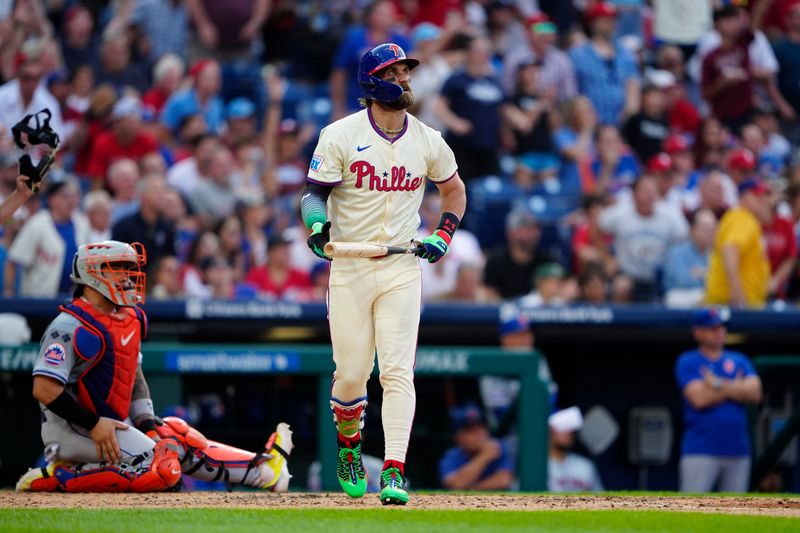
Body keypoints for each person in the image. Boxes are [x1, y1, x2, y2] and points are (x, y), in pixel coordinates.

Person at [299, 43, 466, 505]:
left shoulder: (428, 138)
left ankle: (394, 470)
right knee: (351, 376)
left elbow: (454, 191)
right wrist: (316, 226)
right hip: (350, 265)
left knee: (397, 372)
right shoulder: (339, 134)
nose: (405, 80)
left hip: (401, 265)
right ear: (372, 83)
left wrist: (443, 234)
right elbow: (312, 195)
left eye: (407, 72)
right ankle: (350, 446)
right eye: (395, 73)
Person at [15, 240, 293, 493]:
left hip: (110, 425)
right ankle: (58, 477)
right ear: (91, 274)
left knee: (176, 436)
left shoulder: (126, 319)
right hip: (73, 430)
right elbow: (44, 389)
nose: (126, 276)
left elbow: (132, 376)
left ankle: (263, 471)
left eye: (128, 268)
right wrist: (95, 424)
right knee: (162, 467)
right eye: (117, 268)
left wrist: (148, 423)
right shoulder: (68, 325)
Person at [675, 308, 763, 493]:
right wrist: (736, 387)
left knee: (734, 514)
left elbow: (755, 393)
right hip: (700, 449)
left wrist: (716, 383)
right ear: (698, 332)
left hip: (738, 450)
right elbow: (699, 399)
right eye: (712, 328)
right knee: (692, 511)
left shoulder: (739, 359)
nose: (719, 333)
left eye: (722, 328)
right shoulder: (689, 361)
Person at [599, 175, 689, 302]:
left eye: (653, 191)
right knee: (621, 287)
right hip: (628, 274)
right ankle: (621, 321)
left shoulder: (670, 214)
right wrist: (606, 255)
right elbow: (597, 226)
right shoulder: (619, 213)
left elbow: (685, 239)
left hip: (660, 275)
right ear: (634, 195)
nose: (650, 195)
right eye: (645, 191)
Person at [5, 178, 89, 298]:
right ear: (52, 199)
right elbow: (13, 261)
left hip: (73, 299)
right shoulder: (37, 223)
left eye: (74, 196)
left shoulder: (82, 223)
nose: (71, 201)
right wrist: (9, 290)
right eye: (65, 196)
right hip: (38, 299)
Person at [569, 2, 640, 125]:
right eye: (604, 19)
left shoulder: (626, 55)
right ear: (592, 23)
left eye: (612, 19)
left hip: (620, 126)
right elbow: (572, 94)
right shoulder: (577, 55)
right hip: (588, 125)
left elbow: (633, 90)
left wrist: (626, 118)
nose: (610, 23)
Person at [705, 178, 771, 308]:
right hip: (732, 302)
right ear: (743, 197)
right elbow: (729, 250)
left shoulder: (738, 217)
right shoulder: (743, 218)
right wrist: (737, 295)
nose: (762, 200)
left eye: (763, 196)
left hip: (730, 301)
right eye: (757, 196)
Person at [438, 402, 514, 491]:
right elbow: (455, 485)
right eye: (471, 430)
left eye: (481, 428)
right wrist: (484, 456)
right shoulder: (451, 456)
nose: (478, 434)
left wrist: (470, 489)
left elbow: (504, 481)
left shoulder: (498, 447)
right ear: (458, 437)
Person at [484, 206, 552, 300]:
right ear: (511, 232)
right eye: (526, 228)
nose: (532, 233)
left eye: (535, 229)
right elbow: (488, 293)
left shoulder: (546, 260)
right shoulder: (496, 261)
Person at [663, 209, 717, 308]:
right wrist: (709, 275)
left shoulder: (715, 254)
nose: (710, 233)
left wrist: (702, 274)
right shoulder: (677, 253)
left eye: (713, 229)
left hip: (707, 296)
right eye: (706, 229)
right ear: (692, 230)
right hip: (680, 295)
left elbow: (719, 283)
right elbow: (683, 280)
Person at [548, 406, 604, 492]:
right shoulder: (535, 466)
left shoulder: (585, 466)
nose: (568, 432)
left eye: (571, 429)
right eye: (563, 428)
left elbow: (600, 500)